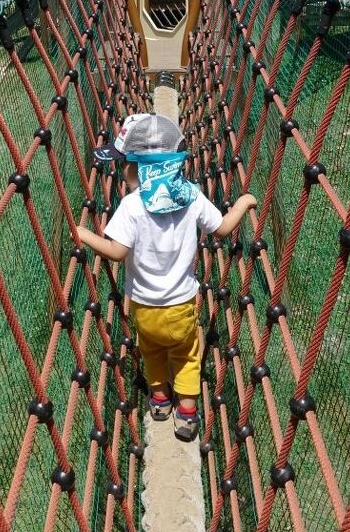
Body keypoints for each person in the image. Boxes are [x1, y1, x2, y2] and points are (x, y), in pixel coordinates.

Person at [77, 113, 257, 442]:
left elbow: (116, 252)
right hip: (183, 306)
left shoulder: (131, 206)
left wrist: (83, 234)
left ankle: (159, 402)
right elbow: (222, 229)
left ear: (142, 167)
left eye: (126, 165)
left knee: (152, 354)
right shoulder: (191, 196)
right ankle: (186, 415)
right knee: (188, 357)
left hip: (144, 310)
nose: (122, 172)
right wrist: (243, 204)